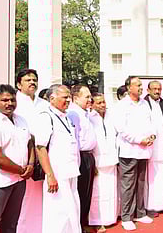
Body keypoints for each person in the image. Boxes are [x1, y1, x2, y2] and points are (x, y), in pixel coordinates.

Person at [34, 85, 81, 233]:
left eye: (69, 97)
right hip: (57, 173)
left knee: (72, 210)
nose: (68, 100)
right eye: (64, 97)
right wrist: (50, 175)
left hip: (71, 170)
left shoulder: (65, 116)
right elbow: (40, 147)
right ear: (52, 98)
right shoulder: (45, 116)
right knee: (58, 213)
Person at [0, 84, 33, 233]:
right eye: (4, 100)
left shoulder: (21, 120)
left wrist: (31, 164)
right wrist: (21, 170)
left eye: (12, 100)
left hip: (19, 181)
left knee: (11, 223)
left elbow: (30, 142)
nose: (9, 103)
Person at [113, 76, 156, 230]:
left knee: (141, 183)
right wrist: (139, 140)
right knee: (128, 185)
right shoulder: (122, 105)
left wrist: (152, 135)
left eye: (140, 85)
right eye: (137, 85)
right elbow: (121, 129)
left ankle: (140, 212)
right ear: (128, 87)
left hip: (144, 151)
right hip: (129, 151)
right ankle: (126, 217)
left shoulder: (145, 104)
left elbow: (151, 122)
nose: (140, 87)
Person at [14, 69, 49, 233]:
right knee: (22, 197)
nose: (32, 82)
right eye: (27, 80)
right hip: (22, 155)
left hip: (43, 154)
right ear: (18, 84)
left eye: (34, 79)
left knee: (40, 194)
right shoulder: (14, 102)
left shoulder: (43, 104)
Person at [67, 85, 97, 232]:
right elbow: (75, 140)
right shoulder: (74, 114)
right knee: (80, 192)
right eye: (86, 97)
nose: (90, 100)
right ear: (76, 98)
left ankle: (83, 222)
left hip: (89, 156)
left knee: (87, 192)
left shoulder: (85, 113)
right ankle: (79, 225)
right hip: (80, 156)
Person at [88, 93, 119, 232]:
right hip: (97, 163)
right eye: (99, 103)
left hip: (111, 161)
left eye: (104, 102)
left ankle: (111, 217)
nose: (102, 105)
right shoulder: (89, 118)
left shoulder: (111, 116)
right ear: (92, 104)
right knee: (97, 194)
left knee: (111, 192)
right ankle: (96, 221)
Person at [144, 81, 163, 215]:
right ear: (148, 90)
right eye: (154, 89)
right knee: (151, 180)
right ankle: (150, 207)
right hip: (151, 149)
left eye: (159, 89)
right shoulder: (144, 103)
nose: (157, 91)